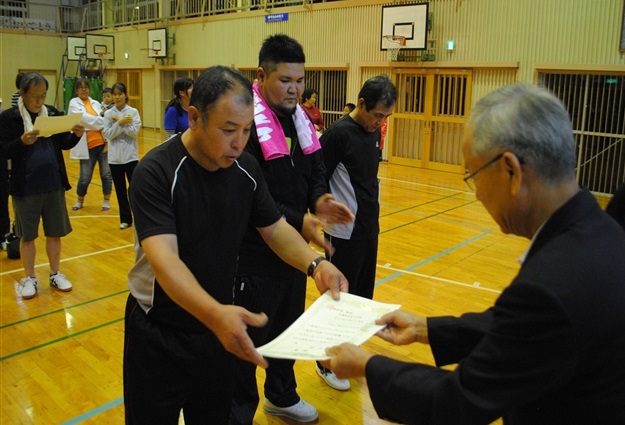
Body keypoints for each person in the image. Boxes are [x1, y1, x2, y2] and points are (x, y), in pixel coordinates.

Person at [321, 84, 625, 425]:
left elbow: (459, 400)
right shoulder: (602, 231)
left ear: (511, 170)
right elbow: (520, 332)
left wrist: (367, 366)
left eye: (475, 176)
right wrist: (427, 329)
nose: (477, 194)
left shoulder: (551, 284)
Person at [123, 65, 348, 425]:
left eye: (246, 130)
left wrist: (315, 264)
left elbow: (274, 229)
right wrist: (217, 314)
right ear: (194, 117)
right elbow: (166, 263)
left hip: (217, 331)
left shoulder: (245, 168)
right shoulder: (157, 172)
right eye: (228, 130)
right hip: (159, 333)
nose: (239, 142)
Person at [231, 34, 354, 425]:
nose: (295, 89)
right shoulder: (244, 124)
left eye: (300, 80)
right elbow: (253, 194)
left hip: (293, 251)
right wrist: (300, 219)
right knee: (249, 339)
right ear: (261, 75)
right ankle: (237, 414)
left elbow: (315, 171)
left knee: (288, 327)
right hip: (253, 253)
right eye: (286, 80)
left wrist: (319, 201)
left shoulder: (301, 120)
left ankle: (281, 395)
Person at [316, 75, 397, 389]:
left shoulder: (372, 133)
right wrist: (322, 204)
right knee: (338, 298)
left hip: (368, 229)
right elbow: (317, 176)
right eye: (377, 115)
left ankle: (346, 352)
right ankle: (325, 361)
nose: (380, 123)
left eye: (386, 117)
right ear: (361, 103)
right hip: (342, 232)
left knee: (361, 298)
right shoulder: (338, 134)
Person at [0, 72, 85, 299]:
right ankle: (29, 277)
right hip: (25, 185)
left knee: (54, 233)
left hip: (53, 183)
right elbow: (3, 150)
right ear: (22, 93)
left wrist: (76, 135)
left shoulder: (52, 114)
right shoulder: (10, 118)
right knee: (28, 236)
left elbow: (63, 144)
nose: (39, 101)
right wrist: (21, 142)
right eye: (34, 96)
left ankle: (55, 273)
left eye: (43, 95)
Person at [68, 77, 113, 211]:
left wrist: (98, 122)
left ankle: (106, 201)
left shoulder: (96, 103)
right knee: (85, 177)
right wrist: (100, 121)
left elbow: (104, 121)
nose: (84, 90)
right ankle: (79, 200)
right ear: (76, 90)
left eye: (86, 87)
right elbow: (83, 119)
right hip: (86, 146)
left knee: (106, 175)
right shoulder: (73, 103)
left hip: (102, 144)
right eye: (81, 87)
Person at [102, 82, 141, 230]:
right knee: (120, 190)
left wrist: (120, 124)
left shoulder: (133, 111)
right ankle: (125, 219)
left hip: (131, 157)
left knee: (135, 188)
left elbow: (134, 132)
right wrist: (120, 122)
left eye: (120, 94)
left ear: (125, 95)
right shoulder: (108, 114)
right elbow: (108, 135)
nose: (117, 97)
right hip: (114, 159)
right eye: (115, 94)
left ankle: (139, 217)